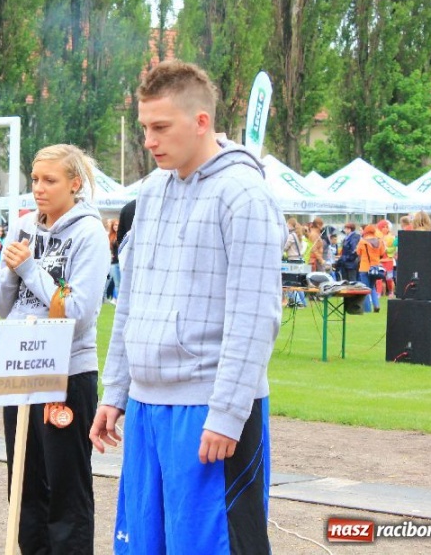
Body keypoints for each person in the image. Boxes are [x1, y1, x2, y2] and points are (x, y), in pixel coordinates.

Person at [89, 59, 285, 554]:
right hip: (147, 409)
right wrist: (115, 391)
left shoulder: (243, 195)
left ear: (201, 122)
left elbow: (255, 314)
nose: (149, 141)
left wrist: (226, 413)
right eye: (144, 128)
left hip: (207, 411)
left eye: (160, 127)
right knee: (142, 546)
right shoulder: (151, 192)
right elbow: (130, 300)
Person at [0, 144, 109, 555]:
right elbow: (2, 305)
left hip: (66, 371)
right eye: (35, 180)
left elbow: (77, 311)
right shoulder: (24, 226)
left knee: (66, 487)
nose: (39, 189)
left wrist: (29, 268)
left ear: (75, 184)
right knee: (23, 483)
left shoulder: (89, 233)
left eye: (50, 180)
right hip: (18, 365)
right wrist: (9, 270)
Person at [356, 224, 387, 313]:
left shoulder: (362, 241)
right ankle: (376, 305)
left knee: (365, 289)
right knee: (372, 287)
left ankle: (367, 309)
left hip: (364, 268)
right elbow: (382, 253)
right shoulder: (379, 241)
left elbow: (358, 252)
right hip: (375, 267)